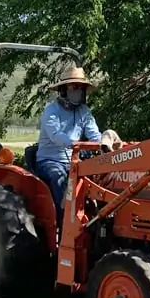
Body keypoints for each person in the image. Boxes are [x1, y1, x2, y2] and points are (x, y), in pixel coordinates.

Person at [34, 65, 102, 229]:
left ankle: (95, 216)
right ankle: (63, 222)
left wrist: (102, 145)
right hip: (50, 160)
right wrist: (74, 144)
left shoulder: (84, 111)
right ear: (63, 89)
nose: (77, 91)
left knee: (100, 177)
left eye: (80, 87)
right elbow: (56, 135)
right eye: (74, 87)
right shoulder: (51, 111)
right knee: (59, 178)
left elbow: (94, 134)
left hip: (75, 159)